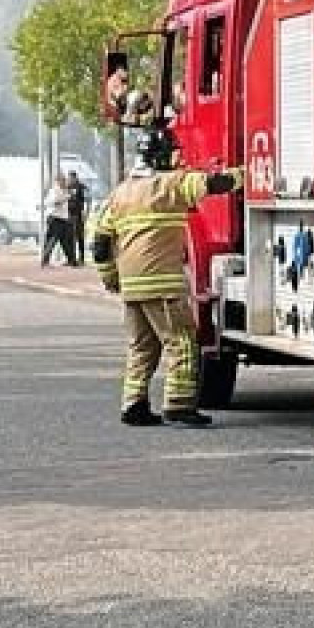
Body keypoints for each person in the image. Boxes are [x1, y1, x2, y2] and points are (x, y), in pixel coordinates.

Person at [91, 118, 241, 428]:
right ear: (161, 157)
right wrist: (244, 175)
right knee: (183, 341)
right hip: (163, 285)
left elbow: (100, 243)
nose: (177, 158)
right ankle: (179, 405)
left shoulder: (121, 194)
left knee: (142, 346)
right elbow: (212, 184)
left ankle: (133, 404)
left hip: (132, 287)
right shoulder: (170, 185)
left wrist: (110, 278)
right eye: (173, 153)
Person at [40, 171, 74, 266]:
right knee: (52, 239)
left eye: (65, 180)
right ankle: (45, 260)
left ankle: (71, 260)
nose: (65, 182)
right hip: (55, 218)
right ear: (57, 181)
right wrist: (66, 198)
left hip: (63, 218)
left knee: (65, 240)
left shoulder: (64, 190)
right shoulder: (55, 190)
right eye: (62, 180)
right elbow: (55, 203)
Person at [64, 166, 89, 268]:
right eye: (68, 178)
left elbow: (87, 200)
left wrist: (85, 213)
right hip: (69, 215)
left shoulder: (81, 187)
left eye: (70, 178)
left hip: (78, 215)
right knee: (70, 238)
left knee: (79, 237)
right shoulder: (67, 188)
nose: (69, 180)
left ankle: (81, 258)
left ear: (74, 178)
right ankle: (71, 259)